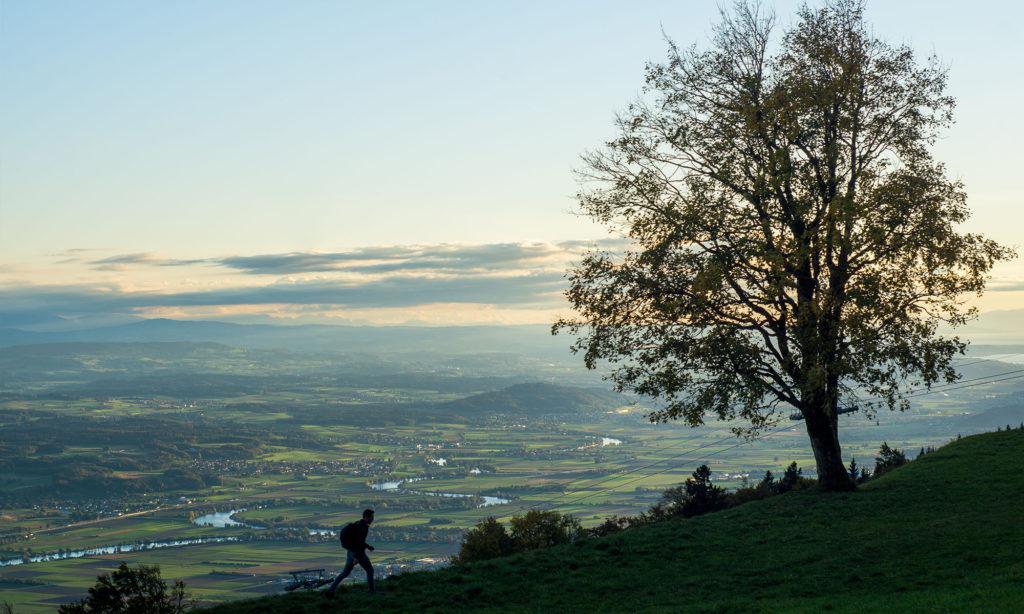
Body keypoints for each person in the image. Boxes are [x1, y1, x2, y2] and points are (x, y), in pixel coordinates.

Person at [325, 508, 376, 596]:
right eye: (372, 517)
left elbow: (358, 541)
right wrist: (357, 557)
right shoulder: (363, 527)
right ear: (367, 517)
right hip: (358, 553)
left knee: (345, 573)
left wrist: (368, 547)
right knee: (370, 570)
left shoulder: (357, 523)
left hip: (350, 551)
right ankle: (372, 592)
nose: (373, 519)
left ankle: (330, 590)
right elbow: (359, 543)